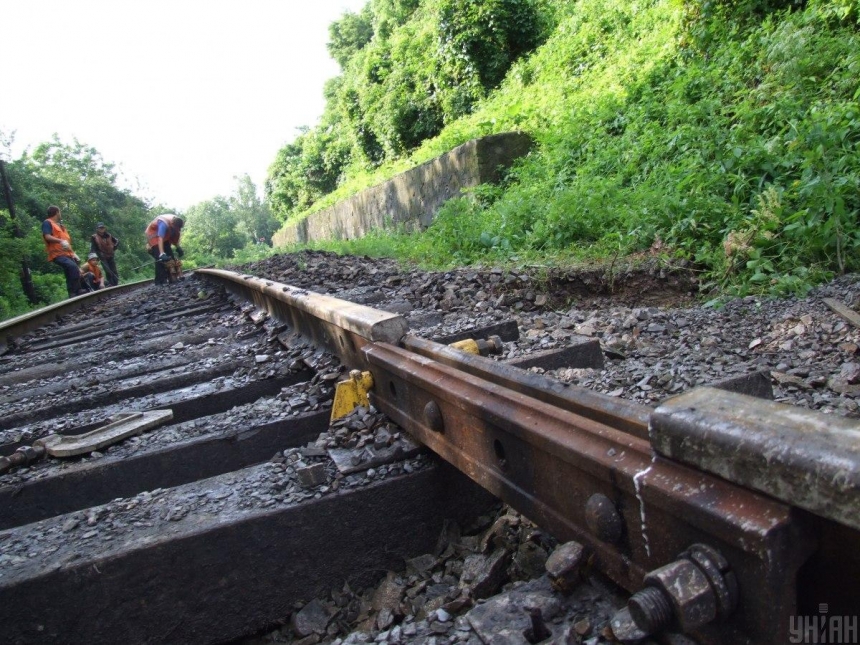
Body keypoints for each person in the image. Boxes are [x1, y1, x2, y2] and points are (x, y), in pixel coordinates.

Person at [42, 205, 85, 297]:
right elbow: (47, 236)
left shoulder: (60, 226)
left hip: (67, 253)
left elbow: (66, 242)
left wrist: (73, 253)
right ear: (57, 212)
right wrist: (60, 241)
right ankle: (76, 290)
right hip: (57, 254)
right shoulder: (47, 223)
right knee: (72, 267)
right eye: (60, 212)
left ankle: (73, 293)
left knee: (71, 269)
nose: (60, 214)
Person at [144, 213, 184, 285]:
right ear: (172, 224)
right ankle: (160, 281)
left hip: (164, 238)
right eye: (176, 228)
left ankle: (172, 278)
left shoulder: (176, 224)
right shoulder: (163, 224)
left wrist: (178, 248)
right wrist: (162, 254)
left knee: (170, 257)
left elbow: (174, 238)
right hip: (154, 235)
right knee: (160, 259)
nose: (178, 229)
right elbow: (160, 238)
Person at [89, 222, 120, 287]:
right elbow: (93, 248)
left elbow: (116, 241)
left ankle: (116, 283)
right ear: (97, 229)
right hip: (102, 256)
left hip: (110, 255)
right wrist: (94, 257)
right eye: (100, 228)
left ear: (104, 228)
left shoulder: (109, 235)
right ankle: (111, 284)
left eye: (102, 227)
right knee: (108, 270)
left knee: (114, 270)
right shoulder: (94, 237)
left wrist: (114, 247)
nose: (101, 229)